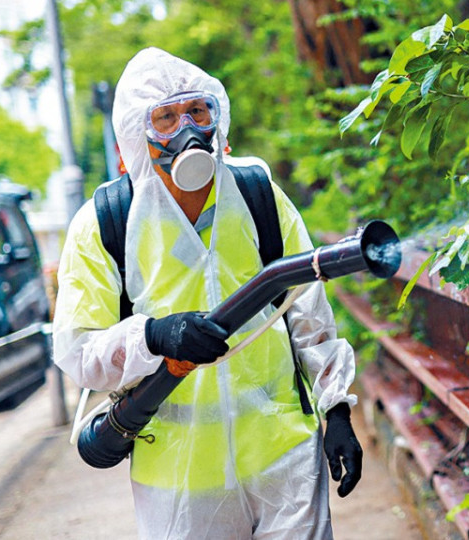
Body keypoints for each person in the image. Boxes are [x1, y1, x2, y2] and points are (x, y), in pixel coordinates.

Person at [53, 47, 362, 539]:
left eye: (198, 111)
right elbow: (77, 351)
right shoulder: (104, 223)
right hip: (179, 479)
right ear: (138, 134)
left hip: (284, 457)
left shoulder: (257, 192)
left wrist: (337, 409)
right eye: (166, 118)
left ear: (218, 115)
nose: (187, 130)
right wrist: (153, 336)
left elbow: (308, 311)